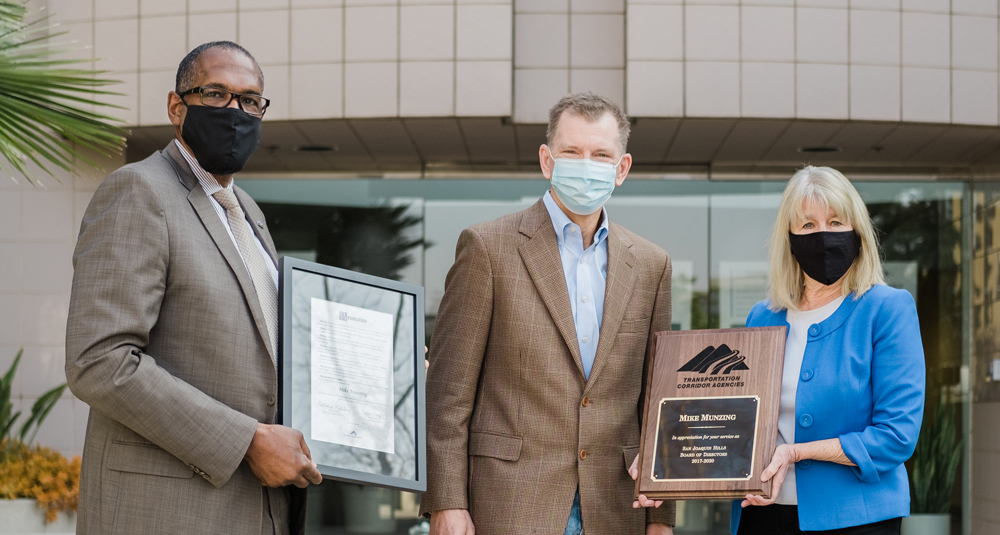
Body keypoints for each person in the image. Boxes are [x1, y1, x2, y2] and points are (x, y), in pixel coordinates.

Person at [65, 41, 322, 535]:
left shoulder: (247, 211)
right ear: (176, 106)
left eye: (250, 101)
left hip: (262, 509)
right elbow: (99, 362)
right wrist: (246, 440)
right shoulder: (138, 190)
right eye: (216, 94)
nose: (234, 111)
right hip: (168, 511)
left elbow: (262, 351)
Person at [419, 93, 675, 535]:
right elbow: (448, 394)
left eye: (600, 155)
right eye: (571, 152)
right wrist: (446, 501)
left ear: (622, 168)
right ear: (546, 160)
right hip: (509, 503)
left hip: (616, 508)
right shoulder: (487, 248)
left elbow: (656, 402)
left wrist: (662, 520)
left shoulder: (652, 265)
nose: (585, 164)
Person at [732, 166, 926, 534]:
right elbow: (740, 416)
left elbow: (897, 436)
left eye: (836, 222)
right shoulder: (763, 316)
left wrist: (797, 451)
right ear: (788, 237)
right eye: (807, 226)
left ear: (858, 232)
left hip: (857, 518)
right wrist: (667, 461)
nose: (823, 236)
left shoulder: (887, 310)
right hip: (762, 514)